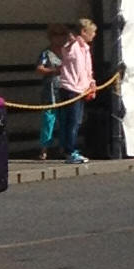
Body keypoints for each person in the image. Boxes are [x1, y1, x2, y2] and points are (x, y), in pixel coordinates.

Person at [55, 18, 97, 163]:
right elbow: (66, 48)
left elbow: (87, 69)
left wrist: (91, 83)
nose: (94, 35)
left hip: (81, 89)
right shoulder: (72, 46)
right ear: (84, 32)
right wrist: (72, 40)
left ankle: (70, 148)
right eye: (92, 32)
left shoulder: (85, 48)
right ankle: (69, 150)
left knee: (77, 121)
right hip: (70, 88)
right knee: (71, 121)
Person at [34, 23, 69, 158]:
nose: (60, 38)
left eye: (62, 35)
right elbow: (39, 68)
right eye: (56, 35)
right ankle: (44, 149)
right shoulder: (46, 53)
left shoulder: (68, 52)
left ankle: (63, 147)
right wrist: (54, 70)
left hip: (66, 88)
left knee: (65, 119)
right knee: (49, 119)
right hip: (50, 90)